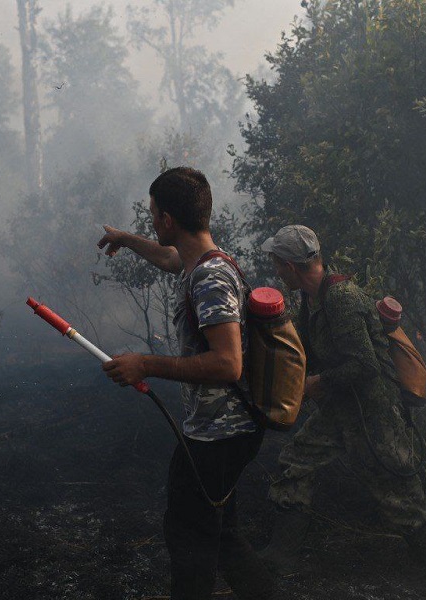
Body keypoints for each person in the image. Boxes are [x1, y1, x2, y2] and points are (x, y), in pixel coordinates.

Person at [96, 167, 275, 600]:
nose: (152, 221)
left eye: (154, 214)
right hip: (223, 432)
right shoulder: (204, 260)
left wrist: (146, 364)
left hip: (220, 436)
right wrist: (125, 238)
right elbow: (168, 258)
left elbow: (228, 364)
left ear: (168, 221)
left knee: (190, 539)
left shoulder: (210, 278)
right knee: (223, 536)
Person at [258, 224, 426, 568]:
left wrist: (315, 383)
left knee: (395, 490)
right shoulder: (311, 297)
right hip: (341, 406)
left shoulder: (341, 298)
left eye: (278, 264)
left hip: (372, 412)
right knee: (296, 460)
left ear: (291, 266)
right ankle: (282, 554)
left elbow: (364, 366)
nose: (277, 271)